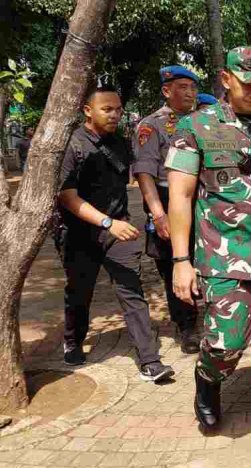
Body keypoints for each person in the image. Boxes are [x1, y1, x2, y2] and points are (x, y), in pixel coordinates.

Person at [166, 47, 251, 461]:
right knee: (226, 342)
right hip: (223, 257)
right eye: (249, 85)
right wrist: (180, 262)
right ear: (226, 79)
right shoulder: (195, 127)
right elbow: (181, 195)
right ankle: (208, 377)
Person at [58, 85, 174, 383]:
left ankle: (150, 360)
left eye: (118, 109)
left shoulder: (122, 143)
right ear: (88, 110)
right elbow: (68, 197)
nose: (114, 115)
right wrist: (108, 223)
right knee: (79, 292)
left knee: (131, 290)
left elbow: (145, 173)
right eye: (106, 109)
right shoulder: (73, 145)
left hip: (117, 232)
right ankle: (72, 340)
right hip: (80, 233)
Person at [132, 66, 200, 354]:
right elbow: (145, 173)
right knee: (175, 263)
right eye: (182, 87)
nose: (190, 92)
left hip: (201, 197)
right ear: (166, 91)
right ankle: (187, 327)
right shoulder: (152, 126)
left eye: (193, 87)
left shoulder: (202, 121)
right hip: (166, 196)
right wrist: (158, 214)